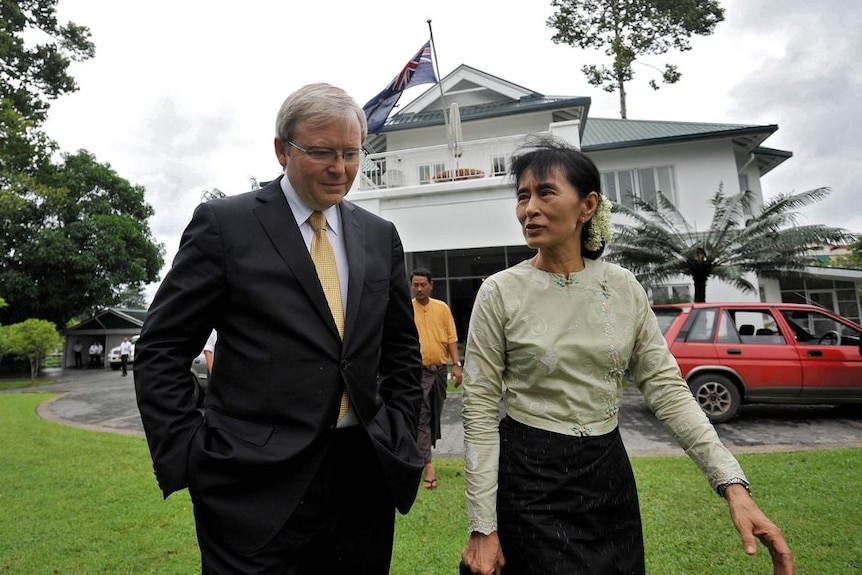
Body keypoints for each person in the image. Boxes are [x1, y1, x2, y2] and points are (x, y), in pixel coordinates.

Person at [460, 137, 794, 575]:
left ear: (588, 205)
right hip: (531, 479)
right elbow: (480, 409)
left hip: (607, 476)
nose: (530, 208)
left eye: (545, 192)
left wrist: (732, 484)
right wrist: (483, 525)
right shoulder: (499, 292)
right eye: (523, 196)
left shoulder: (622, 288)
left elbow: (667, 390)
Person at [133, 82, 423, 574]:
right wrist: (191, 452)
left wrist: (399, 432)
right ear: (281, 149)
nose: (340, 168)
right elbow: (161, 347)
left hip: (361, 478)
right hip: (251, 485)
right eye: (322, 152)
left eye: (351, 153)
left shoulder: (380, 236)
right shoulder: (225, 225)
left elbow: (400, 354)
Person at [410, 268, 462, 490]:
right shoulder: (406, 309)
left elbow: (451, 338)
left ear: (431, 285)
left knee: (433, 416)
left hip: (439, 371)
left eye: (423, 284)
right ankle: (428, 466)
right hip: (417, 372)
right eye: (416, 285)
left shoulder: (442, 308)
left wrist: (457, 365)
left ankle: (420, 453)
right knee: (422, 416)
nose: (419, 288)